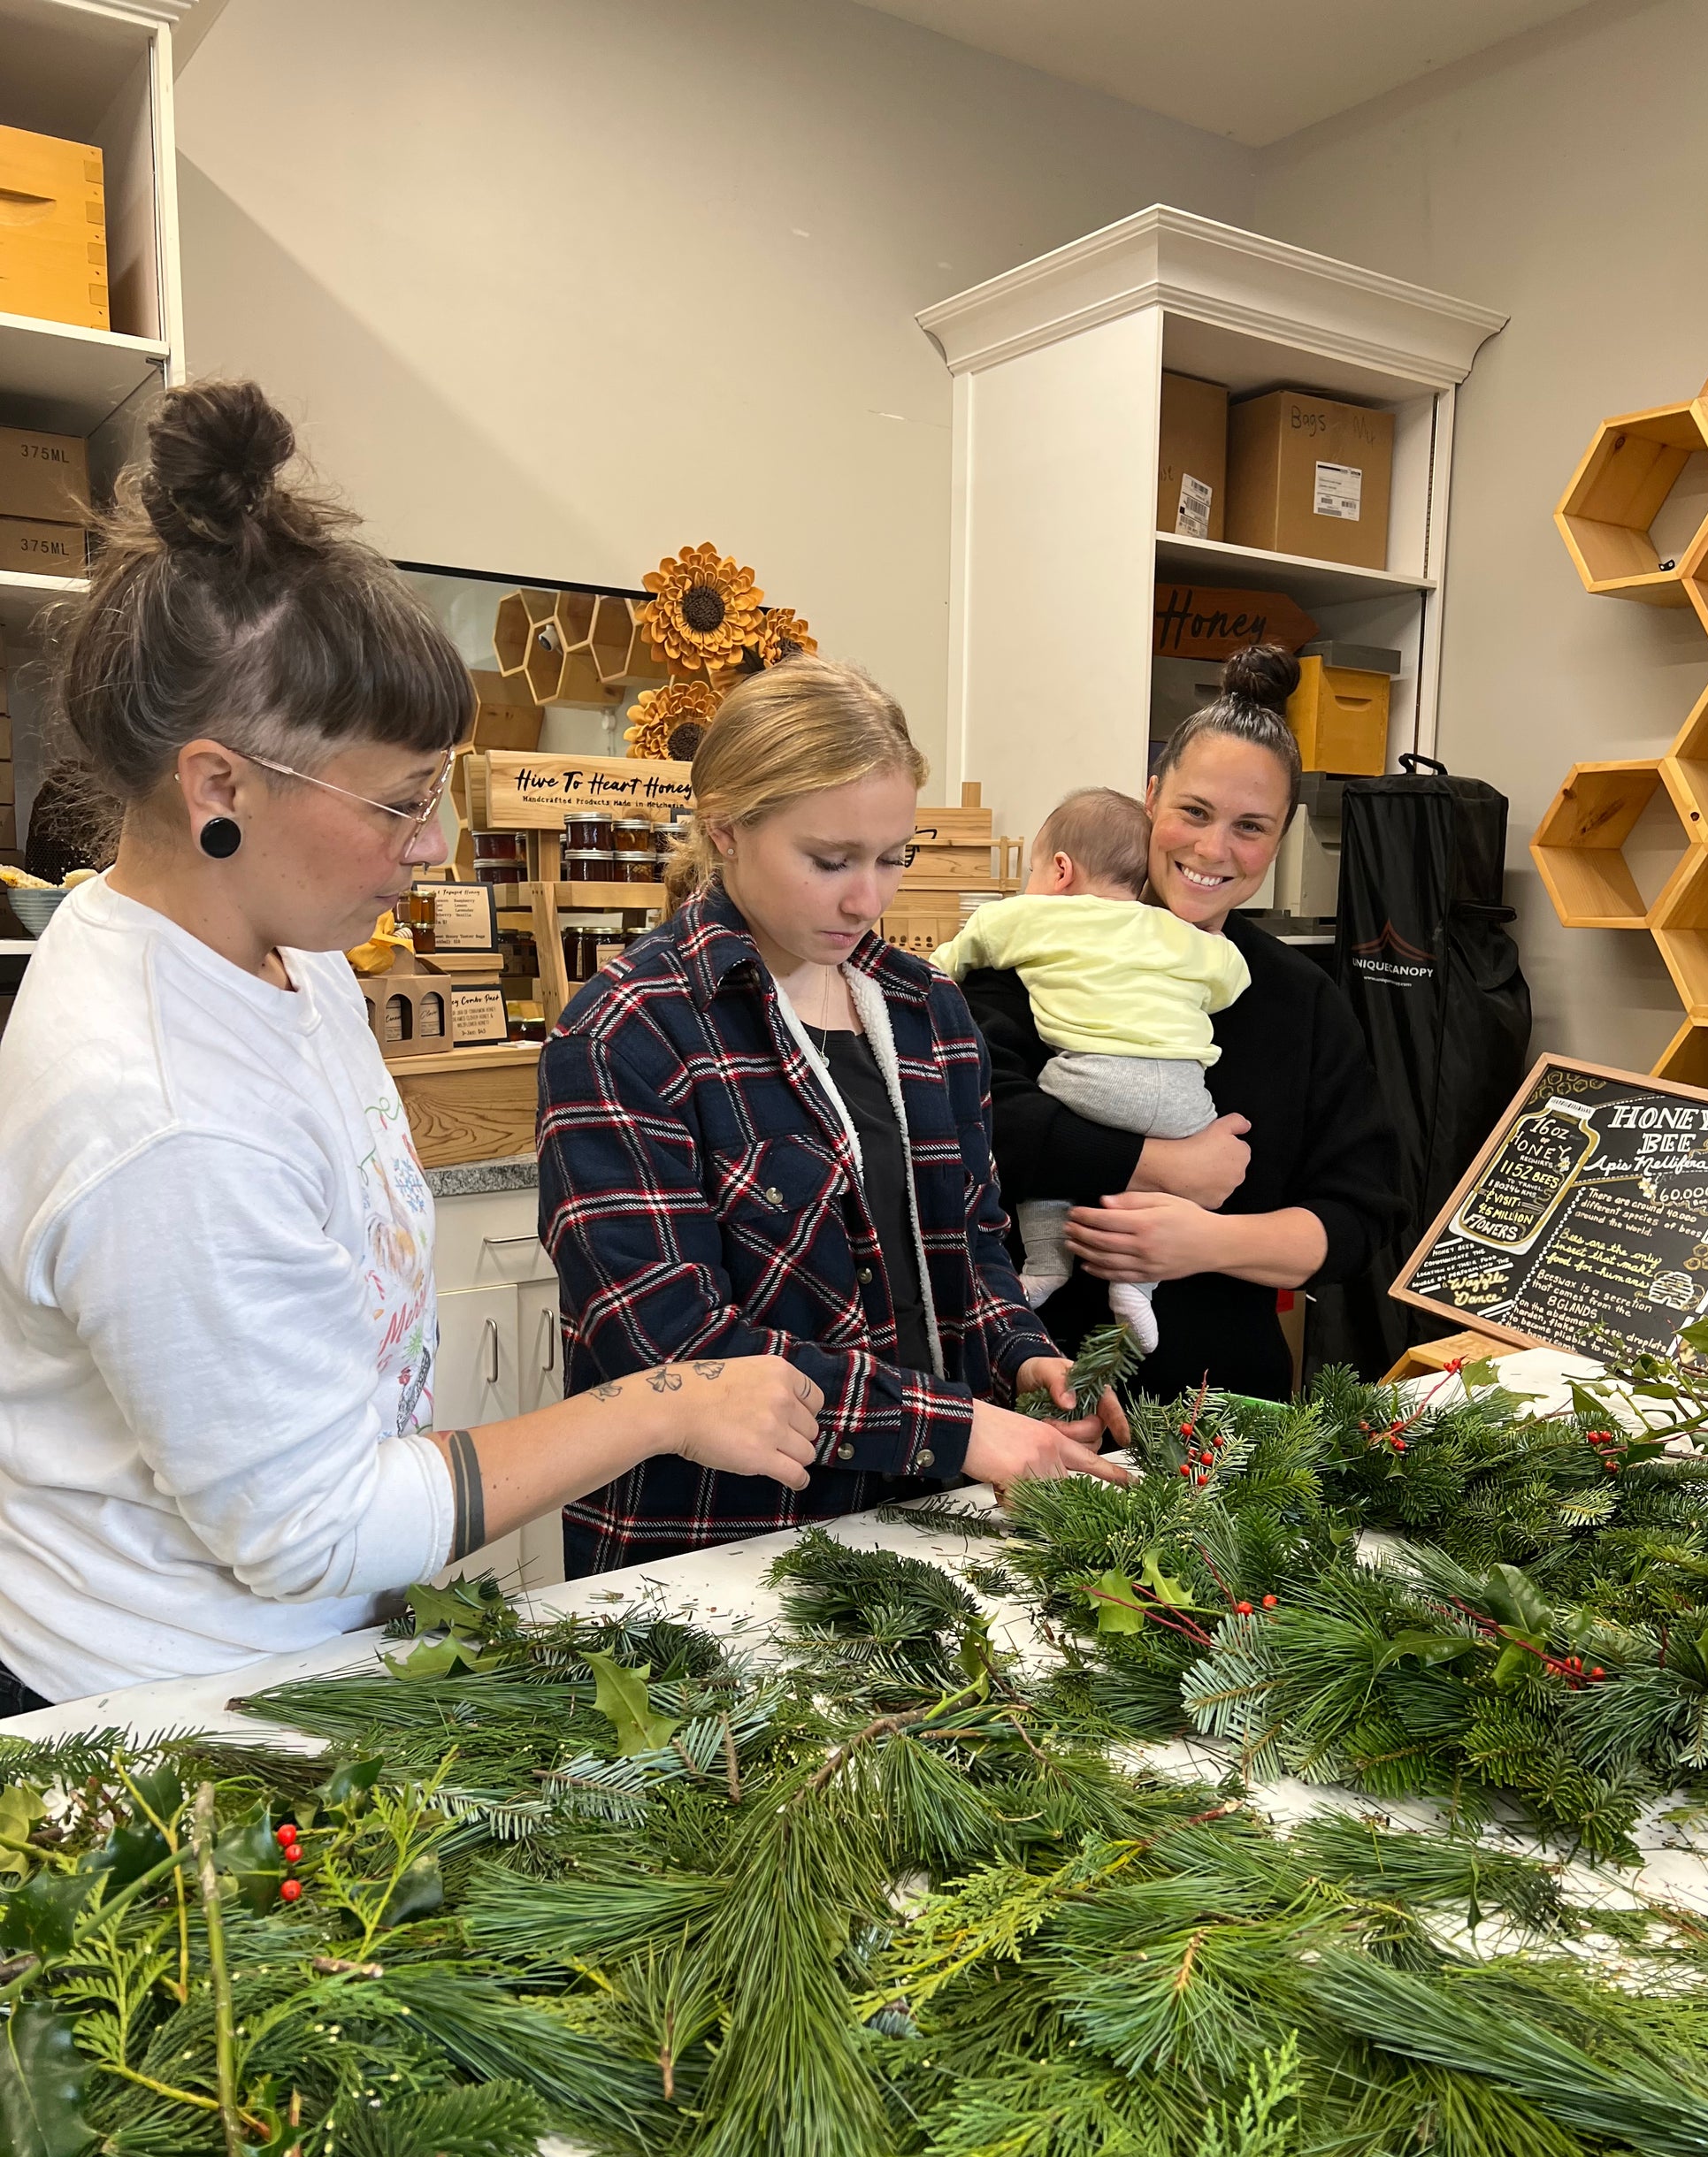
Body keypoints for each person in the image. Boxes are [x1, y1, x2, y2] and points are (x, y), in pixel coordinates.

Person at [0, 380, 820, 1711]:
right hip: (158, 1700)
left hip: (296, 1642)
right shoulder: (158, 1111)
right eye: (400, 802)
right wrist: (665, 1400)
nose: (433, 849)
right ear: (219, 786)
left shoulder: (278, 943)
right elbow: (310, 1528)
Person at [537, 654, 1131, 1580]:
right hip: (708, 1547)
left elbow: (969, 1242)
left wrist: (1017, 1351)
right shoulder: (628, 1031)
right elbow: (677, 1353)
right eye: (829, 861)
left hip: (924, 1519)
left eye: (893, 858)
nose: (868, 899)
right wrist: (964, 1430)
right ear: (724, 828)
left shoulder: (925, 1008)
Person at [960, 645, 1403, 1404]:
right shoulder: (1045, 943)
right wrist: (1157, 1166)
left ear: (1282, 835)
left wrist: (1207, 1241)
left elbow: (1360, 1217)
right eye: (1194, 812)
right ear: (1151, 799)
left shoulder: (1302, 999)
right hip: (1034, 1392)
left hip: (1225, 1413)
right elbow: (977, 1120)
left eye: (1250, 827)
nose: (1212, 849)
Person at [931, 785, 1247, 1352]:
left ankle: (1049, 1260)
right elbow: (1229, 983)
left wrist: (934, 969)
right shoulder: (1177, 932)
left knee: (1042, 1124)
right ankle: (1135, 1288)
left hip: (1092, 1080)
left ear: (1060, 869)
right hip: (1180, 1098)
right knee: (1170, 1189)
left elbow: (959, 954)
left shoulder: (1031, 915)